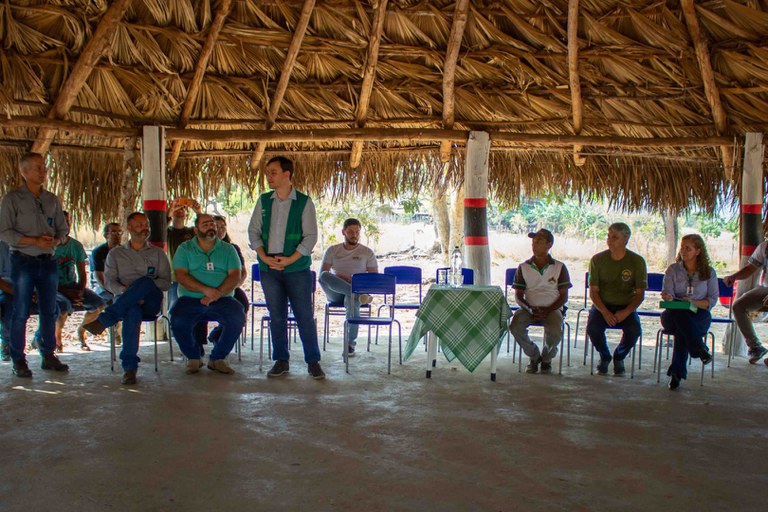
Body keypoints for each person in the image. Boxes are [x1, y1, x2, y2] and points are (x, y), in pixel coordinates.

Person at [248, 156, 325, 380]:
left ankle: (313, 361)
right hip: (268, 267)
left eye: (273, 172)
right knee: (277, 316)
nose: (268, 176)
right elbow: (253, 232)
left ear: (286, 174)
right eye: (268, 172)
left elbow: (310, 237)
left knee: (304, 315)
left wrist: (290, 260)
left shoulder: (304, 202)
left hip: (297, 269)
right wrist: (263, 256)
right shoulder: (263, 201)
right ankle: (281, 360)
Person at [0, 152, 69, 377]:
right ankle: (18, 358)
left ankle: (48, 354)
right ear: (24, 171)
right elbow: (5, 232)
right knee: (20, 311)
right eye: (38, 168)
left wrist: (55, 240)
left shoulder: (51, 199)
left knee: (49, 310)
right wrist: (34, 241)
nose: (43, 171)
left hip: (48, 261)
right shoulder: (12, 199)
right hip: (23, 260)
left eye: (44, 167)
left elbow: (63, 228)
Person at [82, 212, 171, 385]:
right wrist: (127, 291)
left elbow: (166, 282)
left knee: (144, 282)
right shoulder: (115, 254)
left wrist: (142, 290)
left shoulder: (158, 254)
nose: (144, 228)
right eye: (139, 225)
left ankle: (105, 320)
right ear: (129, 228)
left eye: (146, 224)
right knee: (132, 311)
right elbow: (109, 282)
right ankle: (129, 369)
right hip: (125, 301)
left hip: (151, 301)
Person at [170, 214, 245, 375]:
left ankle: (218, 358)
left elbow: (235, 276)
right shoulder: (185, 248)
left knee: (237, 316)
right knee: (177, 319)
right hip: (190, 298)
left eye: (212, 224)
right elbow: (181, 276)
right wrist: (206, 291)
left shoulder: (228, 249)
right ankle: (193, 357)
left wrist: (216, 294)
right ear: (196, 230)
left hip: (222, 298)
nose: (211, 226)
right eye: (206, 224)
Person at [586, 222, 647, 375]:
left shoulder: (637, 262)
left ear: (625, 239)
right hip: (602, 305)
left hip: (625, 306)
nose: (610, 240)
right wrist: (605, 312)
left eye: (615, 237)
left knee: (634, 331)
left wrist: (626, 312)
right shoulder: (597, 260)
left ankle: (619, 356)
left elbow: (640, 294)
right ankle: (604, 355)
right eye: (608, 236)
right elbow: (593, 292)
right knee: (593, 329)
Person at [508, 229, 571, 374]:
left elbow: (563, 296)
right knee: (515, 327)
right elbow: (518, 296)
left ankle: (547, 359)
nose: (534, 245)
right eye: (533, 242)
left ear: (549, 245)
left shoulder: (559, 267)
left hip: (553, 309)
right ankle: (534, 356)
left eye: (539, 242)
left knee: (555, 332)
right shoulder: (524, 267)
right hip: (529, 308)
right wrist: (530, 309)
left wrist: (547, 310)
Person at [661, 234, 718, 390]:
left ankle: (676, 373)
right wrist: (668, 297)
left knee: (683, 330)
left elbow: (711, 301)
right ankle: (699, 349)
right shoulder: (673, 270)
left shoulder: (709, 273)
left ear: (698, 251)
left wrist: (692, 302)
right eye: (682, 247)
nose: (683, 251)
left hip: (699, 314)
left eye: (688, 248)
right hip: (673, 313)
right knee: (680, 316)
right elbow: (667, 293)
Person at [318, 218, 378, 355]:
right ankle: (356, 294)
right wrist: (346, 279)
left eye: (357, 232)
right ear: (343, 232)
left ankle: (350, 345)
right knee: (323, 276)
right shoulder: (333, 250)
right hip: (335, 291)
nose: (354, 235)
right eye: (350, 231)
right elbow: (324, 274)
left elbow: (374, 278)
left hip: (357, 290)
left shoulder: (367, 252)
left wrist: (356, 283)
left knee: (352, 300)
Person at [52, 211, 106, 351]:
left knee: (99, 304)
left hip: (72, 286)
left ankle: (81, 331)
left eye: (68, 222)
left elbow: (82, 273)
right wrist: (67, 293)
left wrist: (80, 291)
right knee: (63, 307)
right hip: (53, 288)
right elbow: (45, 278)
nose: (66, 225)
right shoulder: (48, 246)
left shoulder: (75, 246)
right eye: (62, 222)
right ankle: (57, 338)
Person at [722, 239, 768, 365]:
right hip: (765, 289)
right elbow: (750, 268)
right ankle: (755, 346)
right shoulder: (764, 247)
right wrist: (733, 277)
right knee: (738, 306)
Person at [205, 215, 249, 344]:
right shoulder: (203, 248)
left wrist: (231, 287)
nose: (220, 230)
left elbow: (243, 272)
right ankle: (198, 344)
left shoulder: (233, 248)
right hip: (208, 288)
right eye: (217, 227)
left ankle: (219, 334)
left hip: (230, 288)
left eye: (223, 227)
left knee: (242, 304)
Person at [89, 222, 123, 303]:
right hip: (101, 285)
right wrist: (114, 291)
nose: (118, 235)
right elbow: (99, 278)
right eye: (114, 232)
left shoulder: (124, 252)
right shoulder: (98, 252)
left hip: (118, 284)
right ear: (106, 235)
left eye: (120, 232)